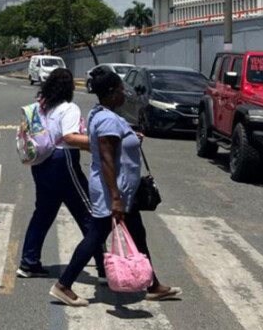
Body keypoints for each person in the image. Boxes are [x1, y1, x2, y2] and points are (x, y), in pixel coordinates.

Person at [51, 69, 182, 306]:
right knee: (95, 237)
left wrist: (132, 137)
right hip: (114, 192)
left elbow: (117, 144)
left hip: (123, 193)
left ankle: (152, 285)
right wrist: (115, 199)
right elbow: (107, 160)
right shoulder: (107, 119)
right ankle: (63, 284)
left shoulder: (103, 114)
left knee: (138, 235)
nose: (124, 94)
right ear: (111, 94)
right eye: (121, 90)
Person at [16, 68, 106, 280]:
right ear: (69, 88)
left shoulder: (43, 107)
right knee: (89, 214)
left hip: (42, 163)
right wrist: (102, 143)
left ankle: (29, 263)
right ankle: (104, 267)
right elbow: (70, 137)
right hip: (63, 161)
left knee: (43, 214)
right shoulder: (69, 109)